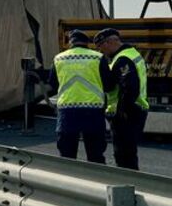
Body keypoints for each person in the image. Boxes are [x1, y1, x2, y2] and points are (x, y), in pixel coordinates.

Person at [48, 31, 110, 164]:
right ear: (87, 43)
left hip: (67, 111)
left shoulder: (59, 58)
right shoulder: (98, 57)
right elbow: (108, 84)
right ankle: (97, 181)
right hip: (93, 110)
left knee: (67, 154)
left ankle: (69, 182)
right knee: (95, 154)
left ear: (71, 42)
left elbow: (52, 84)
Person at [95, 28, 149, 170]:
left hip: (127, 113)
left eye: (101, 46)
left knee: (124, 155)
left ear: (110, 42)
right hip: (135, 109)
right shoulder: (131, 54)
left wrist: (122, 110)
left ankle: (128, 184)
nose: (101, 51)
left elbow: (129, 87)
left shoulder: (122, 59)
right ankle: (130, 182)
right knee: (128, 152)